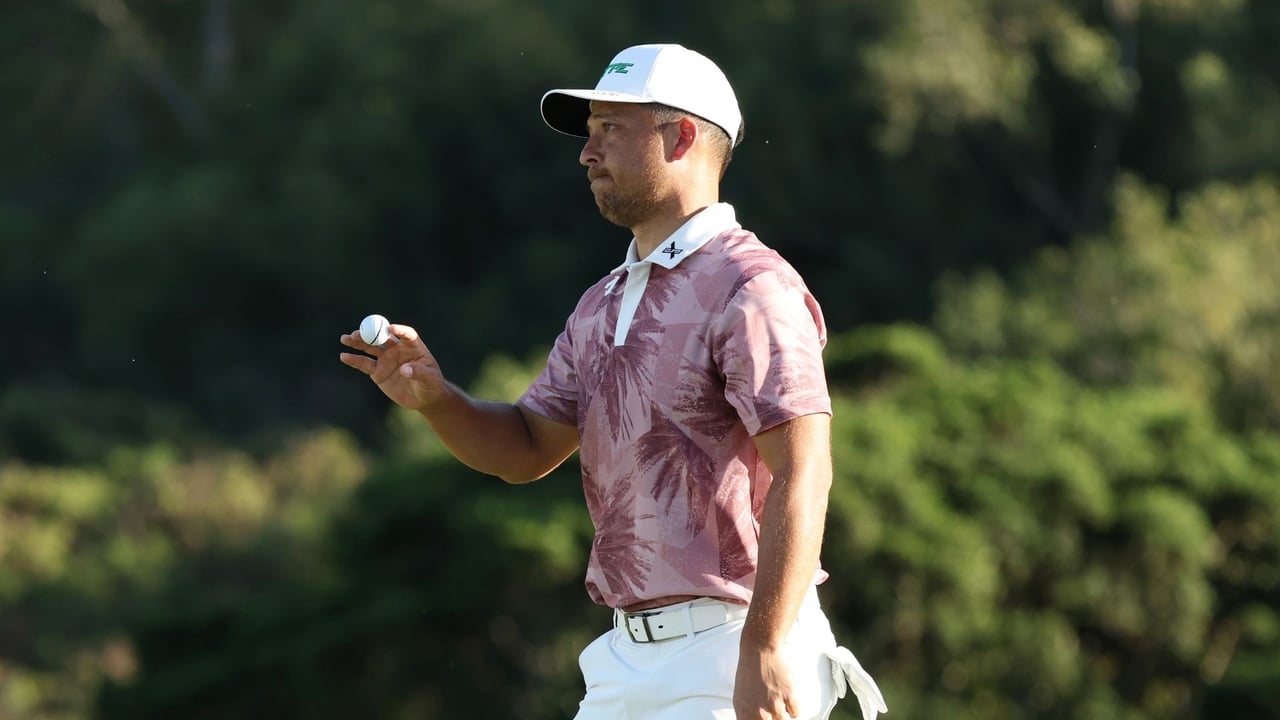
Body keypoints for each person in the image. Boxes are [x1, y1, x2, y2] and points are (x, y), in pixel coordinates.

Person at [339, 43, 886, 720]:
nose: (587, 152)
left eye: (611, 130)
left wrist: (765, 648)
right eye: (590, 131)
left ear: (681, 135)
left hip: (735, 643)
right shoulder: (602, 303)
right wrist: (437, 402)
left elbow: (805, 473)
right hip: (625, 662)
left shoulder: (753, 288)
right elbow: (527, 449)